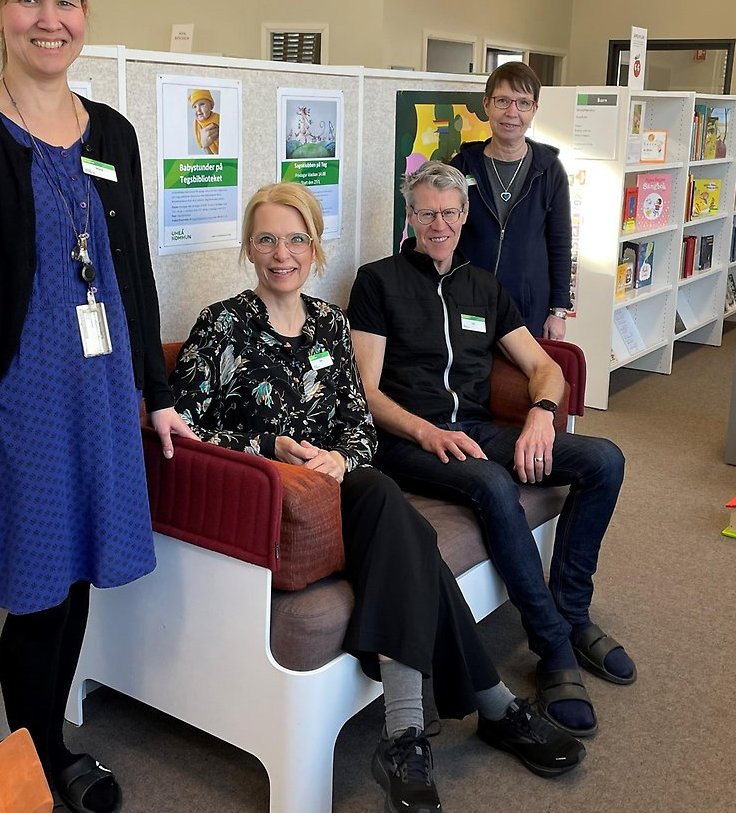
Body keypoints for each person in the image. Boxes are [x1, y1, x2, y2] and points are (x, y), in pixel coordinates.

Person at [169, 181, 584, 813]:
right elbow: (186, 429)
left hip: (342, 486)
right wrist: (271, 446)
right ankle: (486, 709)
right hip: (272, 500)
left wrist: (340, 456)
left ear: (316, 249)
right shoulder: (223, 324)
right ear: (250, 249)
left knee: (386, 506)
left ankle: (406, 738)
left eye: (297, 239)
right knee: (409, 534)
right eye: (267, 239)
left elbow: (358, 428)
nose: (283, 253)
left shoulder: (331, 326)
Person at [0, 0, 196, 813]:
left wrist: (158, 395)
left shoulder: (110, 132)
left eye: (67, 0)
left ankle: (45, 746)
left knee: (76, 575)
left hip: (104, 395)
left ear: (86, 13)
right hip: (18, 406)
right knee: (36, 589)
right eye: (30, 0)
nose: (51, 19)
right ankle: (39, 755)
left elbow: (135, 274)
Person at [347, 160, 635, 741]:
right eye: (427, 213)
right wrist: (425, 431)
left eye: (450, 213)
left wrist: (540, 415)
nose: (440, 224)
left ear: (465, 215)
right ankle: (552, 646)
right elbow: (366, 391)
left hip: (477, 429)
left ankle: (572, 612)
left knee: (604, 459)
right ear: (410, 217)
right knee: (495, 483)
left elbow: (544, 367)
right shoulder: (377, 281)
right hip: (408, 441)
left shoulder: (483, 285)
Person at [448, 61, 571, 339]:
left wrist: (558, 310)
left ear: (534, 110)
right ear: (487, 105)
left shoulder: (549, 169)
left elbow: (560, 243)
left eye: (523, 103)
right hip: (469, 302)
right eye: (503, 100)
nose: (512, 112)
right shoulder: (463, 166)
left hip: (529, 307)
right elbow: (443, 232)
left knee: (522, 379)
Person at [188, 88, 220, 154]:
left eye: (202, 104)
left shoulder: (217, 118)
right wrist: (204, 145)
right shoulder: (197, 123)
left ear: (211, 105)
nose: (198, 109)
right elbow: (201, 144)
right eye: (195, 107)